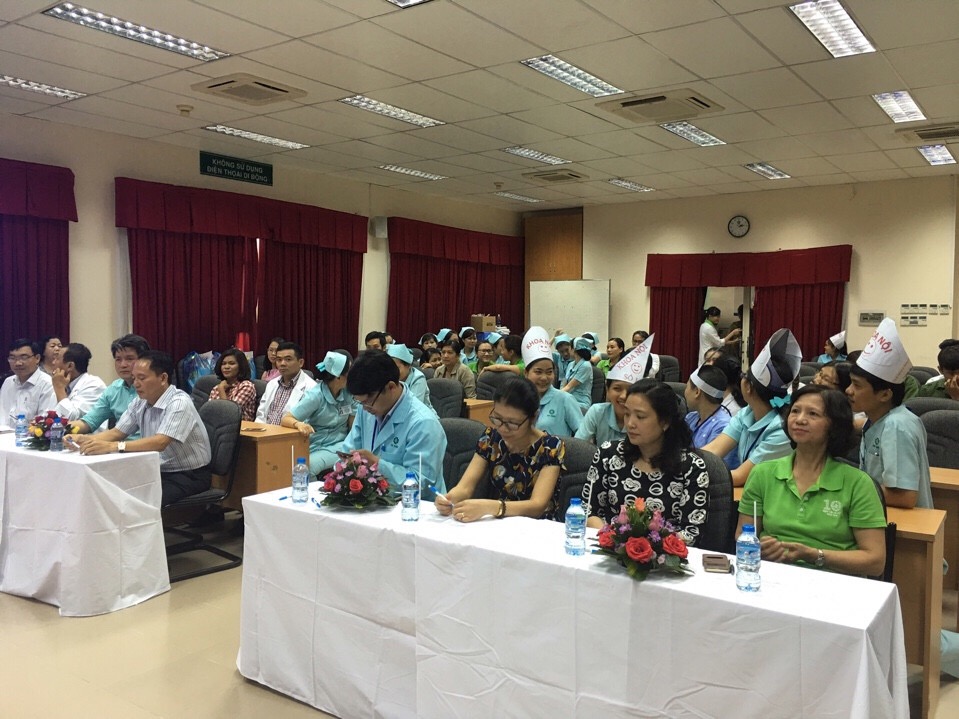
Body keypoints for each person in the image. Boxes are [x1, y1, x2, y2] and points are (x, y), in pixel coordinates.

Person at [737, 385, 886, 576]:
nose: (799, 419)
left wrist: (815, 556)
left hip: (834, 583)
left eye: (813, 414)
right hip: (772, 576)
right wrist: (759, 548)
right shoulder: (762, 473)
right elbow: (743, 535)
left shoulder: (857, 483)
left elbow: (875, 561)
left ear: (834, 425)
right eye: (795, 411)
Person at [71, 351, 212, 507]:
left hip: (188, 474)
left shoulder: (179, 402)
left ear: (163, 378)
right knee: (108, 491)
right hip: (156, 469)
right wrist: (83, 439)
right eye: (134, 378)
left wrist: (112, 446)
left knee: (137, 503)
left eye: (142, 378)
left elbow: (160, 442)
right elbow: (117, 432)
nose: (136, 384)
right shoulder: (140, 402)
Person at [582, 379, 710, 548]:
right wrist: (614, 541)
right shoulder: (608, 454)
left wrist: (643, 547)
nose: (630, 424)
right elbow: (588, 510)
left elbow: (692, 533)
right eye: (627, 414)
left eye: (640, 417)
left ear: (665, 422)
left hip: (664, 557)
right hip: (610, 549)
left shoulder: (691, 467)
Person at [435, 377, 565, 521]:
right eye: (497, 419)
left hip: (537, 526)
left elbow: (537, 506)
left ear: (533, 417)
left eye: (512, 423)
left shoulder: (550, 447)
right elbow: (465, 487)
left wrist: (492, 507)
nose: (502, 428)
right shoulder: (491, 438)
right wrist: (449, 498)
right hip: (498, 523)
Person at [847, 318, 932, 509]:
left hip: (902, 522)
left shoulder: (897, 426)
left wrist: (848, 489)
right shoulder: (878, 419)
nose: (848, 390)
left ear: (885, 394)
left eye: (857, 385)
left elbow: (905, 497)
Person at [702, 328, 801, 487]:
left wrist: (694, 475)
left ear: (748, 387)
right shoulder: (747, 413)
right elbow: (713, 450)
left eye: (744, 376)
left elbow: (740, 476)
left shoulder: (782, 429)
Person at [340, 350, 446, 492]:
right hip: (372, 497)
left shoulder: (424, 423)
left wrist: (377, 464)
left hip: (414, 502)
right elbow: (349, 449)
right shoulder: (366, 409)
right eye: (360, 402)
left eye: (367, 402)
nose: (364, 408)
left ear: (391, 387)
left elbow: (421, 483)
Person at [283, 351, 354, 475]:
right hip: (315, 445)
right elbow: (286, 418)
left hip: (340, 445)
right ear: (338, 376)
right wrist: (298, 424)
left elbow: (354, 428)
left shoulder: (349, 394)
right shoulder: (315, 395)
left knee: (307, 468)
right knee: (299, 468)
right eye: (349, 374)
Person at [576, 340, 654, 446]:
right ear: (607, 390)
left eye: (631, 389)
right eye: (617, 389)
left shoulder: (648, 418)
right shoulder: (597, 412)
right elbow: (578, 447)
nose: (623, 396)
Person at [75, 334, 151, 436]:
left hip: (146, 445)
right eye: (118, 359)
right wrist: (62, 428)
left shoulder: (153, 388)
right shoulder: (113, 389)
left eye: (129, 359)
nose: (123, 365)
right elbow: (90, 421)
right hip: (117, 443)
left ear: (144, 360)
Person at [522, 327, 581, 437]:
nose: (544, 378)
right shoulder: (518, 399)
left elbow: (584, 435)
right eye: (538, 372)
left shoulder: (565, 399)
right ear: (526, 373)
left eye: (549, 372)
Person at [684, 364, 738, 470]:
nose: (684, 392)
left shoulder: (723, 427)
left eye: (687, 387)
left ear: (697, 392)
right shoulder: (691, 417)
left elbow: (714, 469)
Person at [255, 341, 316, 424]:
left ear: (300, 363)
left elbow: (308, 422)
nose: (282, 364)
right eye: (279, 360)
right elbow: (261, 416)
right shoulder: (271, 384)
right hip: (266, 431)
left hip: (291, 432)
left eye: (288, 359)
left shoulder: (312, 388)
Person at [1, 338, 55, 425]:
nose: (18, 363)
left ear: (37, 358)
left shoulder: (47, 384)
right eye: (13, 358)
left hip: (30, 433)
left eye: (24, 357)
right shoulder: (8, 382)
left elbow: (44, 423)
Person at [50, 342, 106, 421]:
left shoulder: (94, 385)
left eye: (57, 359)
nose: (53, 363)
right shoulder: (61, 385)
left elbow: (70, 419)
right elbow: (48, 416)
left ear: (70, 366)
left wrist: (59, 389)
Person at [208, 348, 257, 421]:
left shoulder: (246, 386)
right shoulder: (216, 388)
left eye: (231, 363)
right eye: (223, 364)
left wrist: (221, 390)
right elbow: (209, 413)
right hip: (217, 426)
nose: (226, 367)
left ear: (241, 366)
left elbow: (230, 413)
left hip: (239, 427)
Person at [386, 343, 433, 411]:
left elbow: (413, 407)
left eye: (396, 368)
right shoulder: (388, 378)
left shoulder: (418, 379)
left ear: (408, 365)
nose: (393, 372)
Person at [560, 336, 593, 410]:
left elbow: (569, 387)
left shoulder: (586, 365)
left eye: (568, 349)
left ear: (574, 349)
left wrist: (555, 397)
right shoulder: (570, 364)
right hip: (568, 400)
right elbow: (564, 384)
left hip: (580, 403)